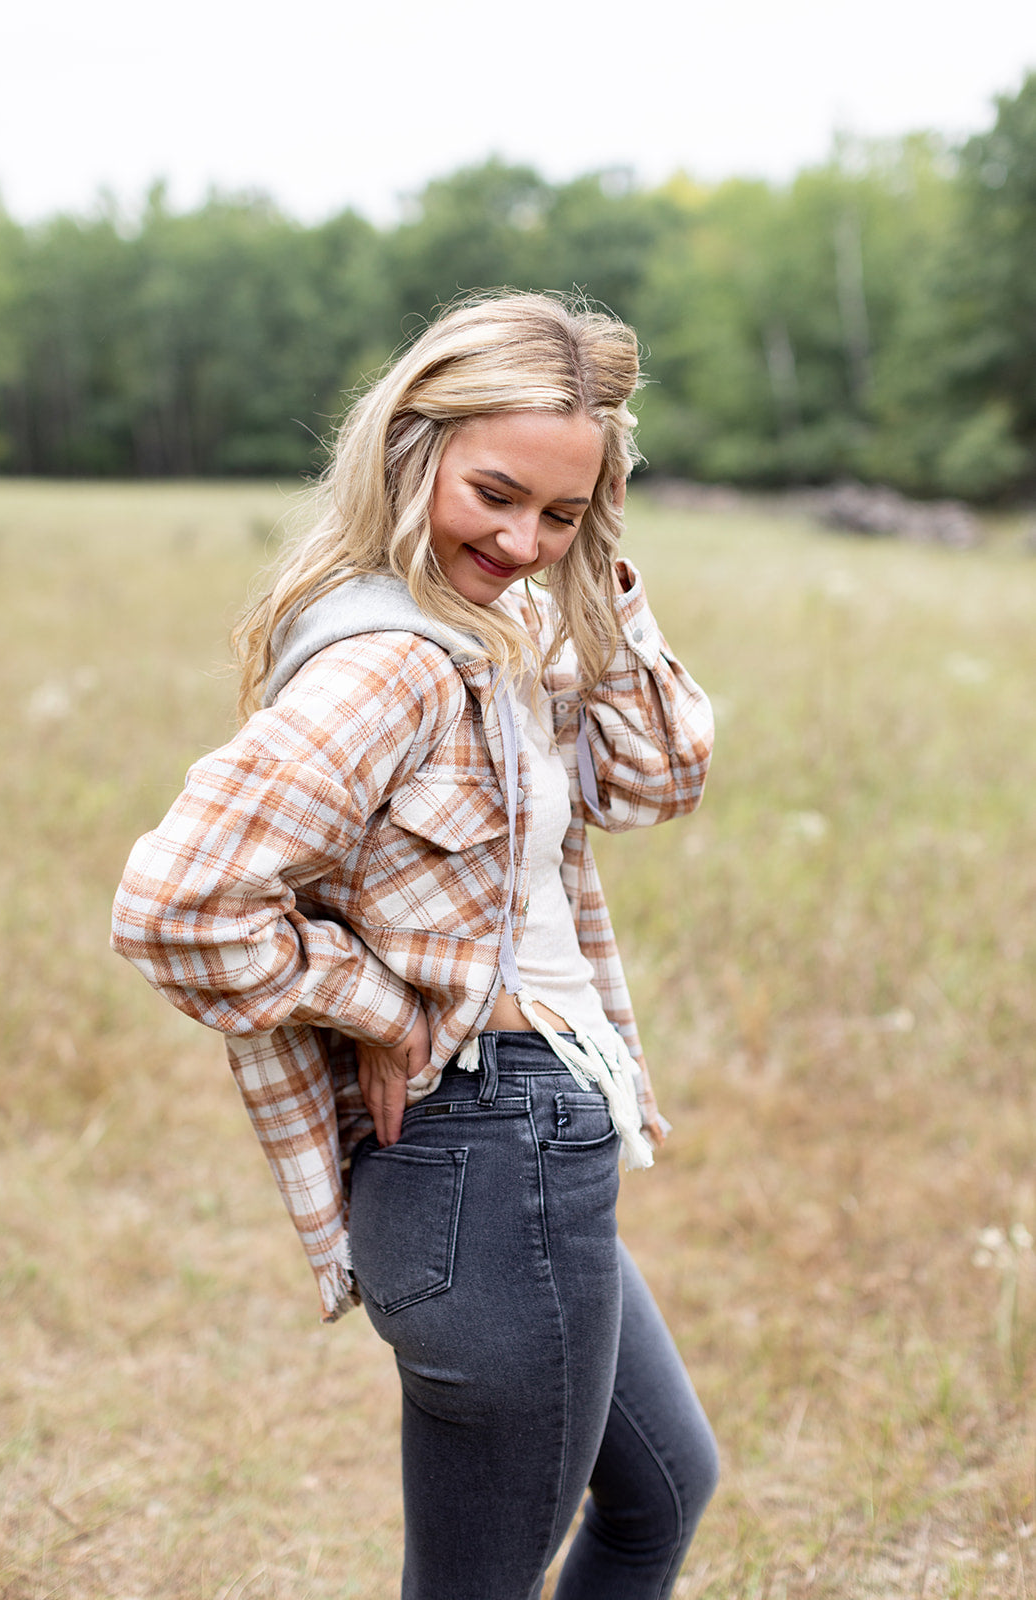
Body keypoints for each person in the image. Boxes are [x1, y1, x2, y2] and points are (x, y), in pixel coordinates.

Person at [112, 291, 719, 1599]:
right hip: (486, 1155)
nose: (521, 538)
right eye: (496, 492)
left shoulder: (505, 626)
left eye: (561, 511)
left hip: (540, 1142)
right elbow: (172, 906)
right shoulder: (394, 660)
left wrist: (600, 580)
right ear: (409, 446)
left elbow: (657, 780)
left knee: (664, 1492)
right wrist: (375, 1005)